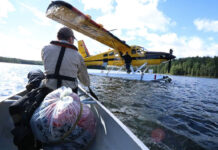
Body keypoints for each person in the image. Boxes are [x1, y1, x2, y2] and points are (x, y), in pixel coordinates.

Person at [41, 27, 90, 93]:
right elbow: (86, 82)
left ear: (58, 37)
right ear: (70, 38)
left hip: (49, 90)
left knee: (37, 72)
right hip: (69, 92)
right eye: (73, 40)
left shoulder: (45, 49)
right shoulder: (78, 55)